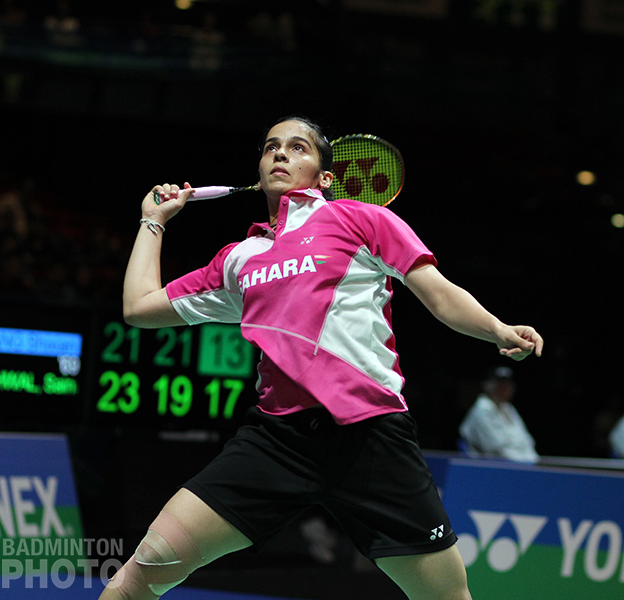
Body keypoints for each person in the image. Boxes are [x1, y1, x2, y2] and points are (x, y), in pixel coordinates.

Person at [98, 116, 543, 600]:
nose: (280, 153)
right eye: (271, 146)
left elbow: (439, 294)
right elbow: (139, 308)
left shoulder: (360, 219)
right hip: (277, 440)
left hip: (370, 435)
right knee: (145, 568)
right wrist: (154, 221)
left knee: (446, 595)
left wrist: (497, 329)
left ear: (326, 177)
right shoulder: (239, 259)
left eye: (298, 147)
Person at [459, 366, 539, 463]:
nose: (506, 388)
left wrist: (533, 461)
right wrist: (526, 464)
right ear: (489, 385)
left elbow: (527, 441)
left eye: (508, 384)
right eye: (500, 384)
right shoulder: (481, 411)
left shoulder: (508, 409)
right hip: (493, 466)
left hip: (521, 464)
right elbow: (496, 450)